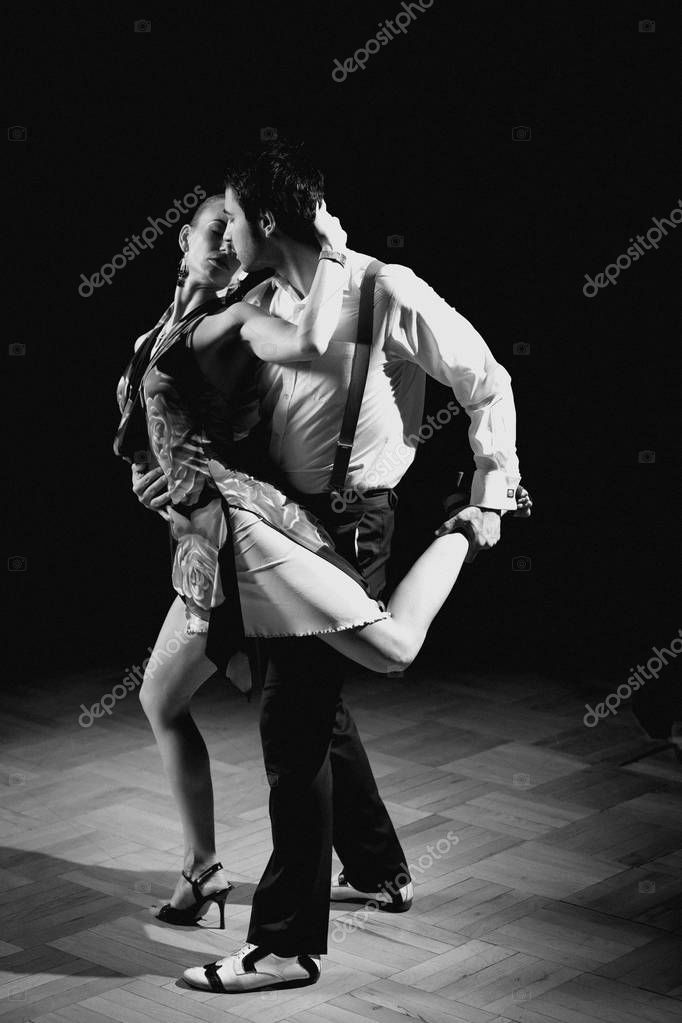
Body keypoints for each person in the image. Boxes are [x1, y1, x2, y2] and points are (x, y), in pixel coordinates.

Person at [120, 185, 531, 992]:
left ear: (266, 221)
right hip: (262, 517)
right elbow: (182, 423)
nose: (226, 243)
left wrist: (491, 487)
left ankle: (285, 945)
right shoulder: (245, 302)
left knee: (300, 716)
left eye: (232, 223)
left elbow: (485, 378)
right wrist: (156, 474)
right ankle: (375, 871)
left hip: (338, 523)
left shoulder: (378, 289)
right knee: (303, 705)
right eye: (212, 229)